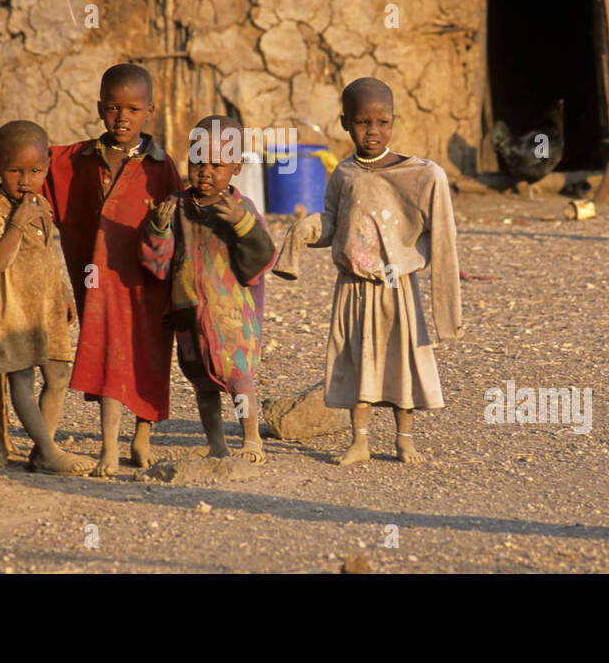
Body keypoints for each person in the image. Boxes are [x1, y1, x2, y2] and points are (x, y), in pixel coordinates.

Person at [274, 77, 462, 465]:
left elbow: (443, 243)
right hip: (352, 287)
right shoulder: (344, 174)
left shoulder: (420, 175)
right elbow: (334, 222)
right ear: (345, 123)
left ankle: (404, 440)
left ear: (393, 122)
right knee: (356, 361)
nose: (372, 131)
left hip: (396, 287)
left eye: (382, 122)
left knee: (400, 361)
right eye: (362, 122)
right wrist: (307, 231)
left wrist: (448, 314)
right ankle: (359, 441)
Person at [44, 64, 182, 476]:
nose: (122, 117)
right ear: (100, 108)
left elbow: (179, 223)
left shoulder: (161, 166)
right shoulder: (82, 157)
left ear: (149, 112)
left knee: (149, 354)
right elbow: (31, 160)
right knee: (108, 356)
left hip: (147, 280)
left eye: (133, 109)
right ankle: (108, 447)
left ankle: (142, 438)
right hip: (101, 279)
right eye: (113, 108)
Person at [139, 115, 277, 462]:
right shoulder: (177, 207)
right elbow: (159, 265)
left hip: (230, 313)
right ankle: (216, 443)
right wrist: (157, 228)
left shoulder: (240, 209)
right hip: (188, 310)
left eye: (217, 163)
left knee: (239, 378)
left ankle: (251, 440)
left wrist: (242, 226)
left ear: (235, 168)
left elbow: (261, 260)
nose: (205, 170)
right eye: (198, 160)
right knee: (201, 381)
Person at [0, 119, 93, 474]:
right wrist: (17, 220)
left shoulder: (40, 203)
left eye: (35, 170)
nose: (25, 180)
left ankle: (44, 448)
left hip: (46, 306)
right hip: (15, 312)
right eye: (14, 171)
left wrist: (64, 292)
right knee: (23, 382)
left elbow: (46, 253)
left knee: (59, 375)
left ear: (46, 165)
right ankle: (47, 450)